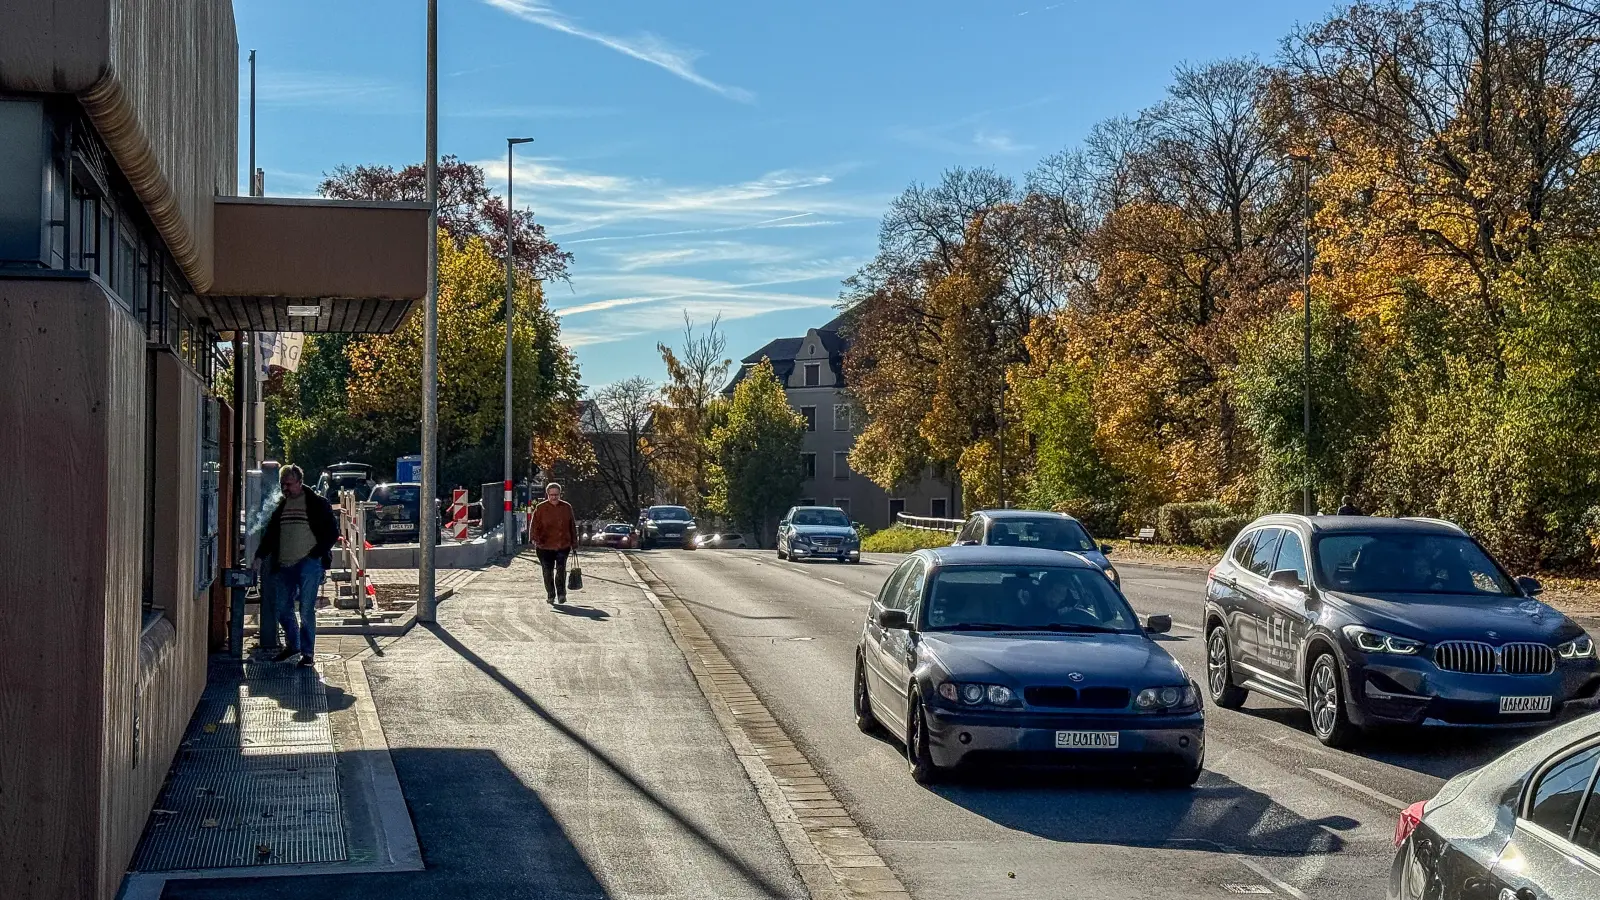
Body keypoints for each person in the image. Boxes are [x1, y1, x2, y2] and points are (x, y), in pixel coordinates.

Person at [254, 465, 339, 667]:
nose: (285, 488)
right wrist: (259, 557)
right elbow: (271, 535)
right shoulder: (281, 507)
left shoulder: (317, 504)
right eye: (283, 484)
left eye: (289, 484)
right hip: (285, 564)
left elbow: (331, 533)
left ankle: (308, 653)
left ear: (300, 483)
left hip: (309, 563)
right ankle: (294, 644)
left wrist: (315, 555)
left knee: (307, 609)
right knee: (282, 607)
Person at [532, 482, 579, 605]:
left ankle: (561, 594)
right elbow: (534, 525)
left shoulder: (566, 507)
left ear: (560, 494)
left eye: (556, 495)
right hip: (544, 546)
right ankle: (551, 594)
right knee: (547, 571)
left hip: (563, 545)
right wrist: (535, 539)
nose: (554, 497)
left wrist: (574, 543)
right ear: (547, 494)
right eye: (551, 494)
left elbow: (572, 525)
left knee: (561, 570)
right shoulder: (541, 508)